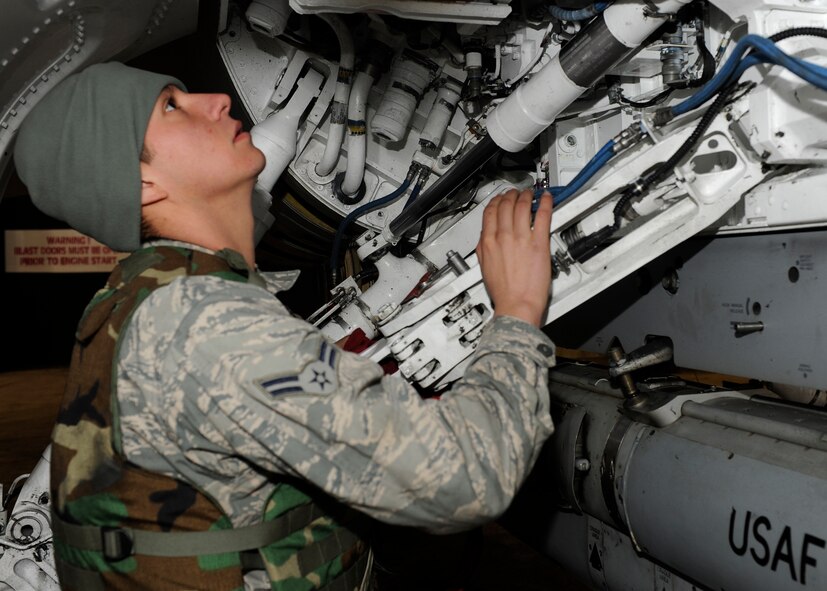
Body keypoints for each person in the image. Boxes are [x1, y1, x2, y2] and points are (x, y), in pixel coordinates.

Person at [13, 62, 556, 591]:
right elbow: (466, 477)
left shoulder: (141, 297)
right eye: (172, 107)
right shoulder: (206, 324)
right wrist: (519, 311)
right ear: (142, 181)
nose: (216, 100)